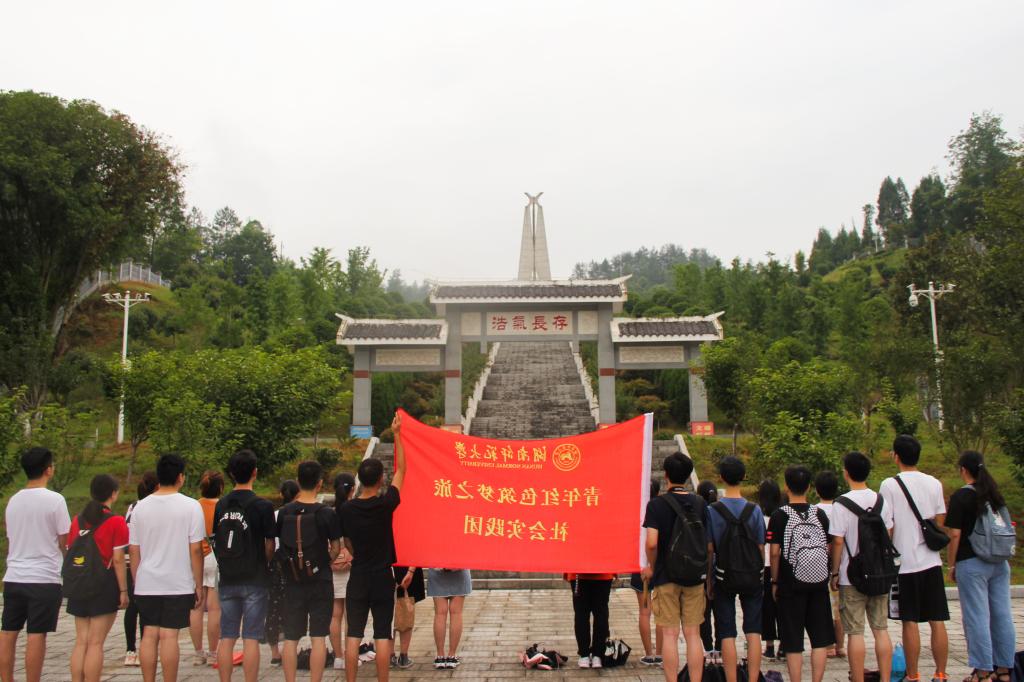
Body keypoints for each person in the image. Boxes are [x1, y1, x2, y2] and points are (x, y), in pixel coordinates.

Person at [338, 412, 407, 682]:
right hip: (381, 576)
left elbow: (347, 541)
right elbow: (401, 471)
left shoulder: (346, 509)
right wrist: (398, 434)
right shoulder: (385, 504)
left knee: (353, 633)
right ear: (380, 480)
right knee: (382, 634)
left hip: (358, 575)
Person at [129, 453, 206, 682]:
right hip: (177, 582)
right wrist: (198, 584)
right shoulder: (191, 506)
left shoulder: (140, 508)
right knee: (169, 636)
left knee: (149, 634)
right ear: (180, 477)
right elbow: (196, 550)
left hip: (146, 582)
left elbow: (134, 549)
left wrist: (137, 580)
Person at [879, 435, 949, 682]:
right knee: (937, 619)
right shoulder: (934, 483)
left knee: (909, 621)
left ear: (896, 456)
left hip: (905, 562)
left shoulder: (889, 485)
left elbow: (887, 525)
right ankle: (941, 674)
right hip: (932, 561)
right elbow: (939, 520)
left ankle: (913, 674)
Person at [0, 447, 71, 682]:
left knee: (8, 632)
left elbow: (12, 535)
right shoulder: (55, 500)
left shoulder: (13, 501)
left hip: (14, 576)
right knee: (36, 634)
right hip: (44, 578)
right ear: (48, 470)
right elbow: (64, 540)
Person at [641, 452, 713, 682]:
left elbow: (651, 543)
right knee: (693, 633)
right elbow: (709, 545)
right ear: (689, 475)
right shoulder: (700, 503)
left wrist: (651, 567)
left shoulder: (656, 505)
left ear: (666, 475)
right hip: (694, 576)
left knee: (670, 634)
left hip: (666, 576)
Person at [945, 451, 1015, 682]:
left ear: (963, 470)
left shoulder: (961, 496)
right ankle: (1004, 670)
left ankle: (982, 672)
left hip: (972, 562)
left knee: (976, 616)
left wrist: (951, 564)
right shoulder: (993, 494)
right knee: (1002, 614)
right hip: (1000, 562)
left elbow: (955, 534)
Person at [829, 452, 894, 682]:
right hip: (879, 573)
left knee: (855, 632)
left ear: (846, 473)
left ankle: (858, 678)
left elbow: (838, 541)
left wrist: (835, 572)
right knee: (881, 629)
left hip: (852, 575)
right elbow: (888, 534)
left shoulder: (841, 503)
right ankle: (885, 678)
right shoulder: (881, 501)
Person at [213, 449, 276, 682]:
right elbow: (270, 543)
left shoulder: (221, 505)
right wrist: (265, 562)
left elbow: (216, 539)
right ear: (255, 472)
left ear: (231, 474)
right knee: (251, 637)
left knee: (227, 637)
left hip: (228, 576)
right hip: (255, 577)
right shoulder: (262, 506)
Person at [276, 461, 342, 682]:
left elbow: (279, 544)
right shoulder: (326, 513)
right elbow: (336, 547)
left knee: (291, 639)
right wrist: (324, 562)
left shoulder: (284, 512)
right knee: (318, 637)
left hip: (292, 580)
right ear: (320, 483)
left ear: (298, 481)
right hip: (320, 580)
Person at [769, 465, 834, 682]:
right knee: (820, 640)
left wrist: (775, 580)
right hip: (818, 583)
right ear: (809, 487)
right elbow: (828, 546)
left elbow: (775, 552)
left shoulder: (779, 516)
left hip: (790, 584)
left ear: (786, 487)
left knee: (793, 641)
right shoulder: (819, 514)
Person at [66, 474, 128, 682]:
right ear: (113, 494)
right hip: (104, 585)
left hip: (79, 583)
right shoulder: (117, 521)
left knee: (81, 641)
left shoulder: (77, 520)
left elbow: (69, 550)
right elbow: (118, 559)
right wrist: (123, 591)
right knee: (95, 643)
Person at [707, 457, 764, 682]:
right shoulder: (754, 510)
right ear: (743, 477)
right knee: (753, 630)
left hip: (724, 575)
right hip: (752, 575)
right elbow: (760, 546)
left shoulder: (713, 510)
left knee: (727, 631)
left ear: (721, 477)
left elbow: (710, 549)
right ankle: (752, 678)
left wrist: (709, 581)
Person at [123, 472, 158, 667]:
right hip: (144, 560)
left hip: (130, 561)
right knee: (144, 608)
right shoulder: (149, 509)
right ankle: (145, 647)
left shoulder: (132, 507)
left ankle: (131, 650)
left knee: (133, 606)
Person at [264, 479, 300, 666]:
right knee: (292, 608)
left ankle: (275, 652)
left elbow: (269, 542)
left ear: (281, 495)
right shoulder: (300, 513)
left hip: (276, 566)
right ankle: (290, 648)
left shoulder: (276, 514)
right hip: (294, 567)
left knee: (273, 608)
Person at [190, 470, 223, 666]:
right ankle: (212, 653)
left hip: (197, 556)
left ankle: (198, 653)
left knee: (196, 606)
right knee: (214, 608)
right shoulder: (223, 505)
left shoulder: (194, 506)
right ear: (221, 487)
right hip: (215, 556)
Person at [631, 480, 663, 667]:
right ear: (658, 493)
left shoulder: (636, 511)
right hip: (659, 566)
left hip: (640, 566)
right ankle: (660, 654)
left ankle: (649, 654)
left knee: (644, 612)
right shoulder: (660, 510)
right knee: (661, 613)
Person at [814, 469, 845, 658]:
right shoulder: (841, 509)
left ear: (816, 490)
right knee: (838, 608)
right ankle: (840, 646)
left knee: (823, 606)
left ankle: (827, 645)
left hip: (819, 565)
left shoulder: (813, 511)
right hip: (840, 564)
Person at [329, 473, 356, 670]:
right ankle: (350, 655)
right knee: (350, 615)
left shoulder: (327, 512)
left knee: (334, 615)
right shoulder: (353, 510)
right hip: (351, 565)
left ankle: (338, 657)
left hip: (331, 565)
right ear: (352, 489)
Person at [565, 571, 614, 668]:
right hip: (603, 573)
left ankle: (584, 655)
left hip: (578, 574)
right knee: (600, 615)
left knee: (582, 615)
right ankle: (597, 655)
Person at [696, 480, 722, 664]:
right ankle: (719, 648)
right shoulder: (721, 511)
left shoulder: (702, 512)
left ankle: (707, 648)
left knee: (704, 612)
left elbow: (708, 547)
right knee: (721, 611)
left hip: (705, 568)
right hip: (723, 568)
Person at [428, 567, 472, 669]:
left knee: (440, 613)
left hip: (437, 571)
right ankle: (451, 656)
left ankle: (440, 656)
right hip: (459, 571)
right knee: (456, 613)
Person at [757, 479, 782, 660]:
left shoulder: (758, 517)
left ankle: (769, 646)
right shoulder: (782, 516)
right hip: (780, 566)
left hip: (764, 566)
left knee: (766, 608)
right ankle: (785, 644)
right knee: (782, 607)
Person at [390, 566, 424, 669]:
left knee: (387, 614)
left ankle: (389, 656)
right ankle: (403, 657)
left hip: (387, 569)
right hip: (407, 568)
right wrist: (411, 571)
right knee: (406, 610)